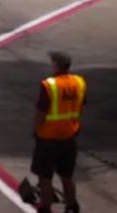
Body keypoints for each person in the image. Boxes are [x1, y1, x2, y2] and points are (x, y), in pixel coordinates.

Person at [31, 51, 85, 213]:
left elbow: (41, 112)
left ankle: (46, 207)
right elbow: (80, 106)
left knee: (45, 176)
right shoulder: (79, 82)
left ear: (56, 65)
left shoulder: (50, 85)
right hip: (69, 137)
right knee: (67, 175)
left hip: (48, 138)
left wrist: (35, 130)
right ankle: (71, 206)